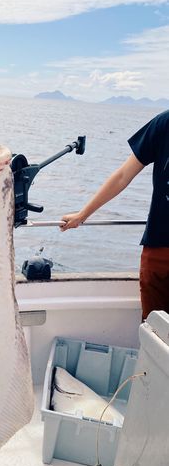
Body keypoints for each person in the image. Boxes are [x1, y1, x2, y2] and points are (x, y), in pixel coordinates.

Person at [60, 109, 169, 320]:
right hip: (158, 251)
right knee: (153, 332)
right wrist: (83, 215)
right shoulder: (165, 123)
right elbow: (122, 176)